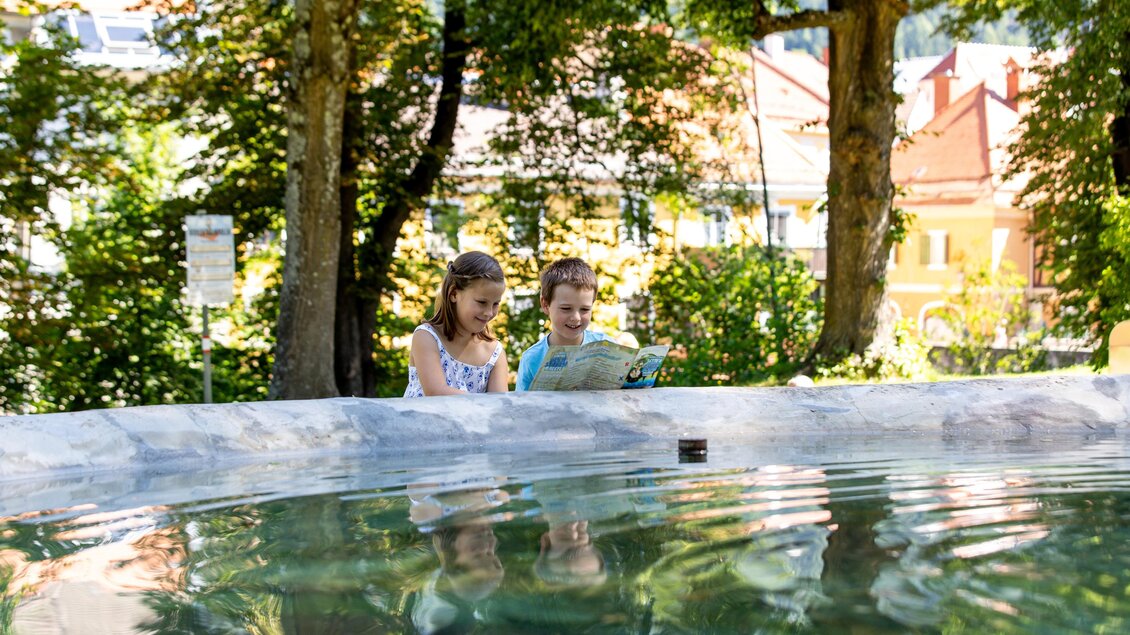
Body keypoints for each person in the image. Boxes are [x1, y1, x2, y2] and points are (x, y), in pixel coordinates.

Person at [404, 251, 509, 397]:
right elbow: (436, 392)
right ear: (454, 294)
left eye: (496, 304)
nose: (489, 312)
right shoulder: (427, 337)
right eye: (482, 302)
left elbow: (499, 406)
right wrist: (485, 402)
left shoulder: (494, 353)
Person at [515, 257, 609, 391]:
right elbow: (521, 405)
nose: (576, 318)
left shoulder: (606, 345)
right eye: (566, 309)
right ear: (545, 304)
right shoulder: (532, 358)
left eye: (585, 309)